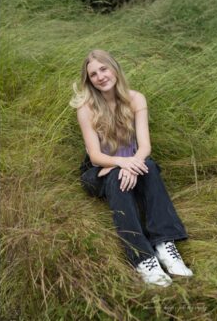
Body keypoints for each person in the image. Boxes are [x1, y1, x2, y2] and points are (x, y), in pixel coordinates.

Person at [72, 49, 191, 287]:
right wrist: (122, 163)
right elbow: (95, 157)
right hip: (97, 171)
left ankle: (164, 244)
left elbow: (145, 146)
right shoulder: (86, 107)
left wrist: (131, 164)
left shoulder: (136, 99)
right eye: (93, 74)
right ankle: (142, 257)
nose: (100, 76)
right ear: (90, 80)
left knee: (149, 166)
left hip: (130, 162)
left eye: (103, 69)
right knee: (118, 175)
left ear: (114, 68)